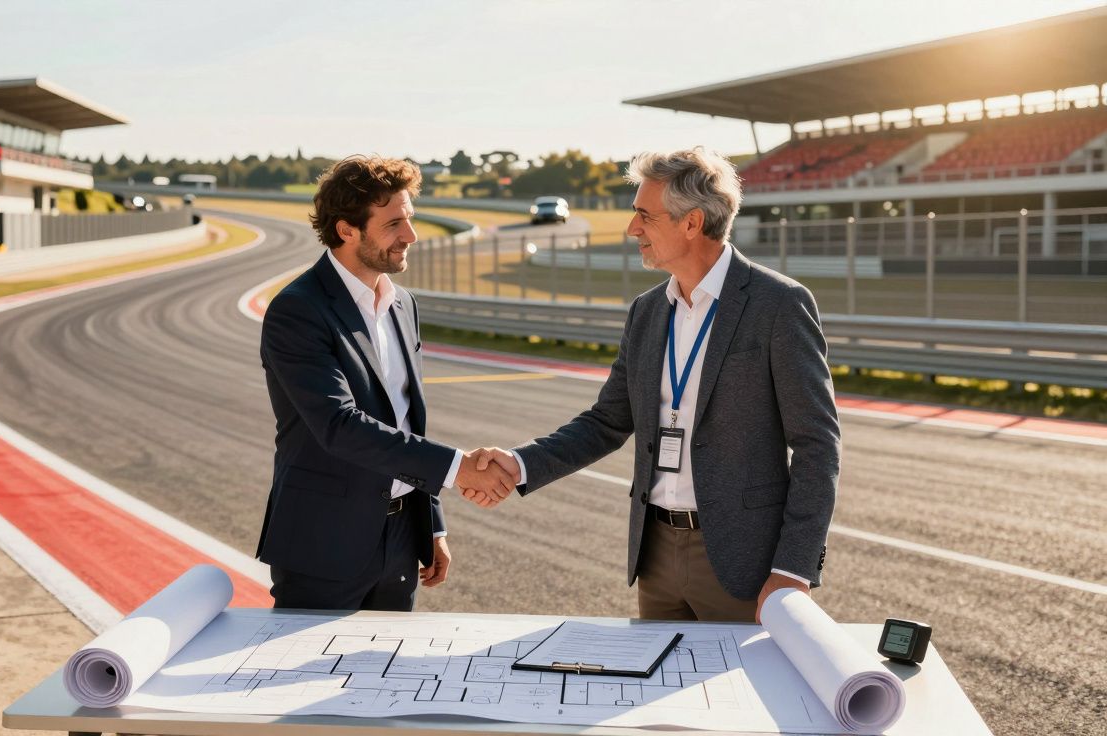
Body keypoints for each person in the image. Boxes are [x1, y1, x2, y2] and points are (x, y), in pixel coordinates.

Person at [464, 147, 840, 623]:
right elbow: (607, 421)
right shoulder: (647, 311)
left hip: (745, 561)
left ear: (692, 223)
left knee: (738, 696)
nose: (632, 229)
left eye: (644, 215)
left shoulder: (778, 305)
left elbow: (817, 445)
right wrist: (520, 464)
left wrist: (794, 567)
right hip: (655, 553)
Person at [257, 155, 516, 611]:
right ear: (346, 231)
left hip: (400, 541)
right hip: (323, 544)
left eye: (410, 219)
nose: (411, 236)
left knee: (390, 679)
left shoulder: (403, 305)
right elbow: (339, 425)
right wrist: (458, 468)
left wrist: (430, 525)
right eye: (394, 223)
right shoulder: (298, 310)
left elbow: (406, 421)